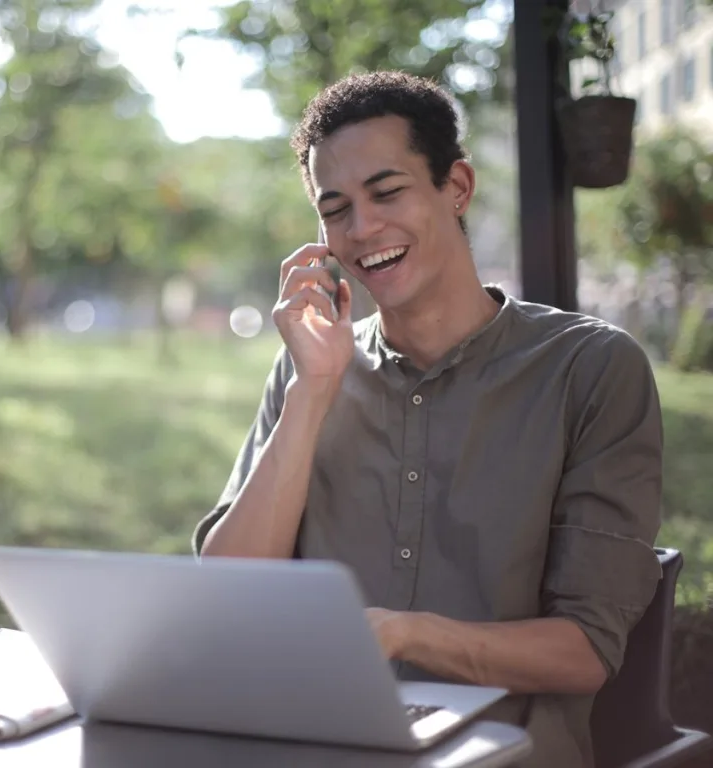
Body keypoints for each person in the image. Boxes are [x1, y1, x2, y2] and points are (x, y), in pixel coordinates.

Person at [192, 71, 663, 768]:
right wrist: (313, 391)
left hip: (506, 752)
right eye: (335, 208)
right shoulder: (310, 368)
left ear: (458, 188)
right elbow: (227, 595)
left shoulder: (590, 370)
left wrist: (402, 634)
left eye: (387, 193)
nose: (363, 229)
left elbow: (586, 651)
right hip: (313, 743)